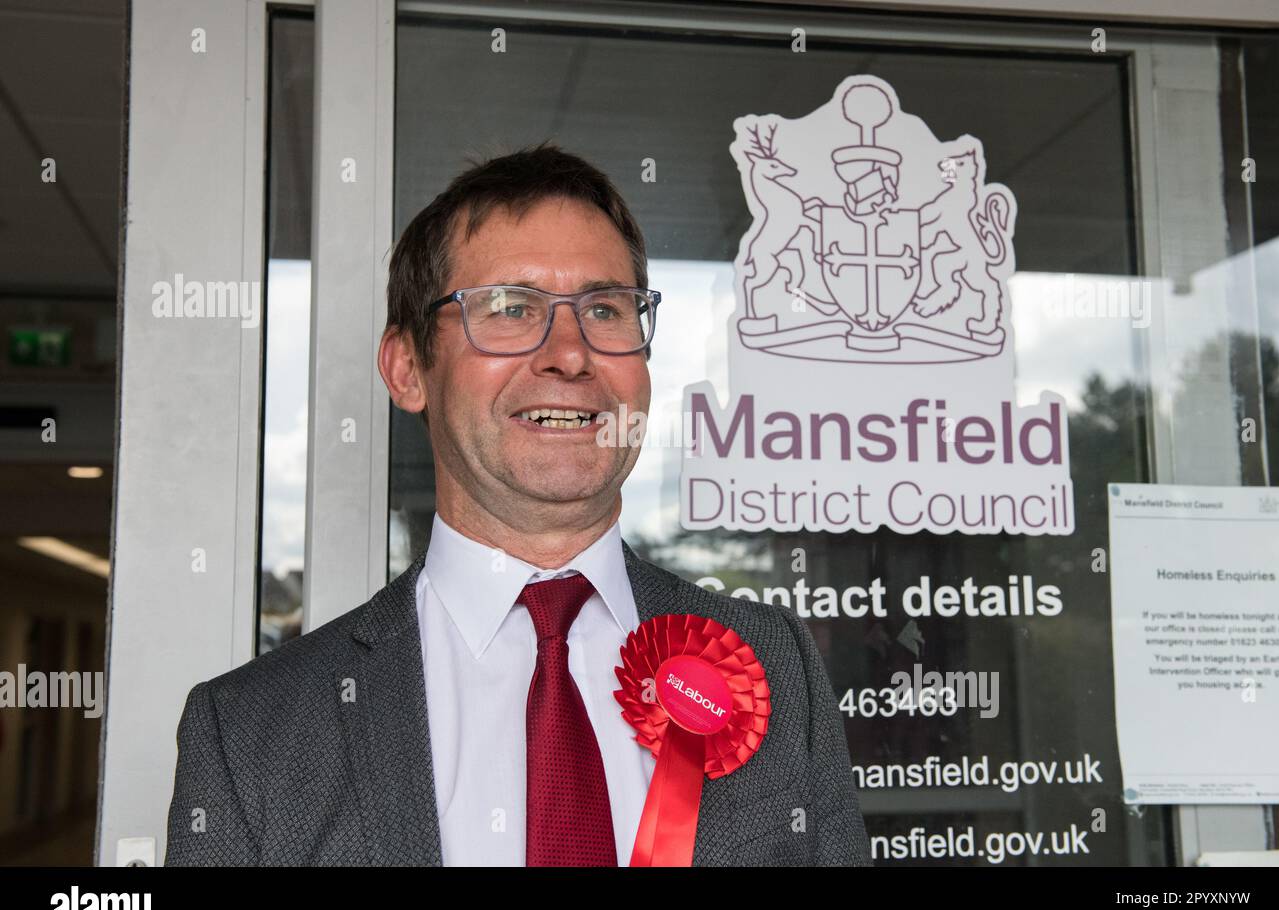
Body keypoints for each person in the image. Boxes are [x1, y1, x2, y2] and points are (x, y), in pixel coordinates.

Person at [164, 143, 868, 867]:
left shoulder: (774, 667)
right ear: (407, 369)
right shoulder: (250, 731)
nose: (569, 352)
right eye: (509, 308)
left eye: (604, 308)